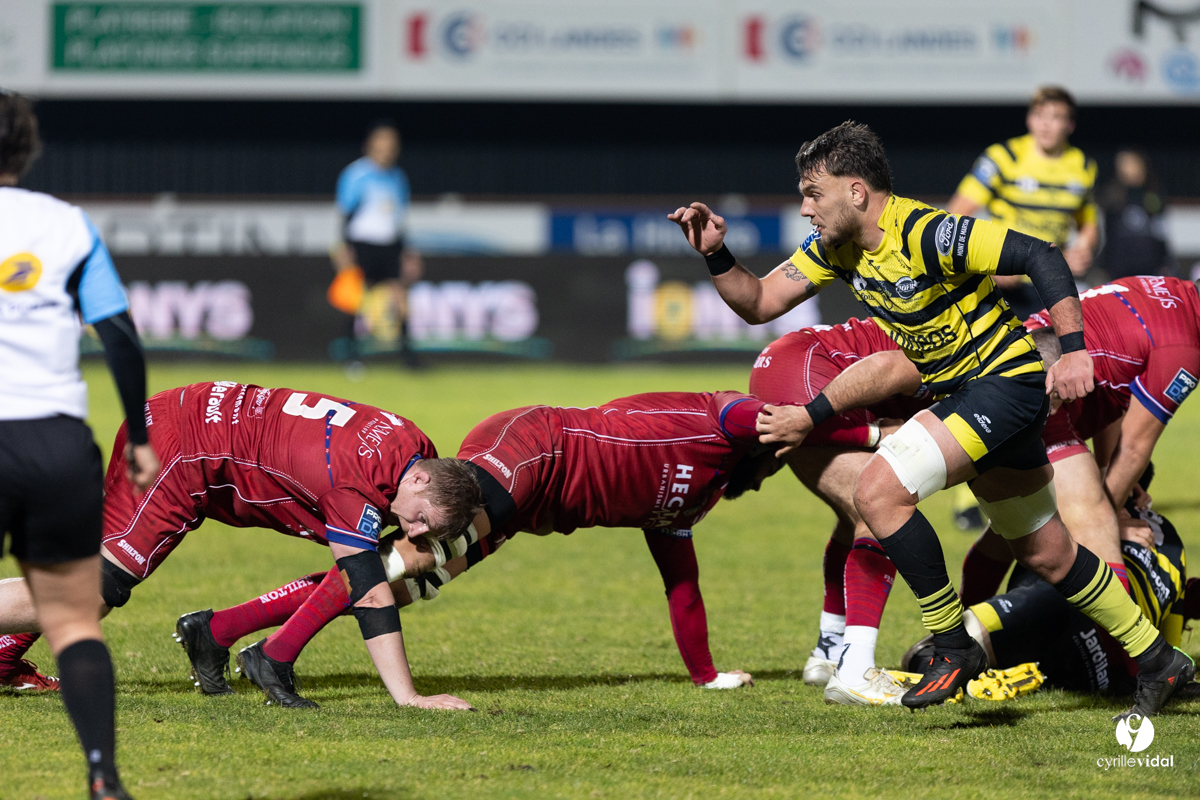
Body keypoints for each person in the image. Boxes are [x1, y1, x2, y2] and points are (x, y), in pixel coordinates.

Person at [670, 120, 1192, 717]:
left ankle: (951, 643)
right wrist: (716, 253)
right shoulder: (833, 249)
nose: (805, 206)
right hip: (983, 399)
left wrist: (1073, 348)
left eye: (815, 192)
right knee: (1048, 552)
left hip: (1004, 384)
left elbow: (1039, 254)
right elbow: (759, 302)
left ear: (857, 191)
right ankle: (1158, 659)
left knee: (879, 491)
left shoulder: (927, 231)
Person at [179, 391, 783, 706]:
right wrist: (855, 427)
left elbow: (683, 584)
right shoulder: (718, 423)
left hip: (525, 508)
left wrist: (705, 676)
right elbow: (726, 407)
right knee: (393, 566)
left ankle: (222, 629)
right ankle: (274, 655)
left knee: (404, 585)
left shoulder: (694, 501)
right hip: (532, 452)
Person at [0, 381, 484, 714]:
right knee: (92, 592)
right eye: (420, 520)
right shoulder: (352, 489)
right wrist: (409, 698)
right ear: (420, 478)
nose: (414, 532)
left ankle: (4, 659)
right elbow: (370, 595)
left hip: (186, 413)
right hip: (181, 452)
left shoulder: (413, 444)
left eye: (426, 530)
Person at [0, 93, 159, 800]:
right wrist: (142, 435)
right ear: (27, 149)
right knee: (70, 616)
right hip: (57, 441)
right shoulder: (66, 224)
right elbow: (119, 336)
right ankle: (103, 775)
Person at [960, 276, 1200, 603]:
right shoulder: (1182, 348)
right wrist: (1111, 510)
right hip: (1041, 393)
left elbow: (1112, 386)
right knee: (1095, 530)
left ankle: (954, 641)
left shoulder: (1161, 286)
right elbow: (1135, 445)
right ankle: (1132, 653)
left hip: (1005, 366)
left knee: (1011, 528)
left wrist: (1104, 473)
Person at [943, 86, 1101, 531]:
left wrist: (1084, 247)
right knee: (980, 380)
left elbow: (1086, 224)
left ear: (1069, 124)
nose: (1049, 125)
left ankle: (1038, 474)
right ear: (1031, 119)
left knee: (1043, 383)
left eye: (1059, 118)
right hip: (1002, 281)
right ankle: (964, 495)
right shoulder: (1004, 158)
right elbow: (957, 214)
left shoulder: (1082, 166)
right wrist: (989, 259)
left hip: (1045, 285)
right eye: (1042, 116)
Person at [749, 321, 928, 705]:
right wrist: (873, 435)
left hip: (786, 362)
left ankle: (828, 653)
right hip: (808, 373)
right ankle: (855, 671)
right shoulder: (966, 349)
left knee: (855, 514)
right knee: (882, 510)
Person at [909, 489, 1196, 701]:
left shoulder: (1077, 500)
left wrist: (964, 613)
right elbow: (1171, 641)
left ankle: (950, 660)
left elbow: (986, 559)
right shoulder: (1172, 541)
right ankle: (1023, 667)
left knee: (1059, 582)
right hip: (1102, 673)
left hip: (1061, 609)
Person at [333, 122, 423, 367]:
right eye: (382, 144)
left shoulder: (397, 177)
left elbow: (398, 218)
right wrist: (344, 247)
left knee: (400, 297)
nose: (387, 150)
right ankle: (350, 355)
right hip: (362, 243)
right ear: (370, 146)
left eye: (392, 145)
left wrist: (406, 251)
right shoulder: (356, 175)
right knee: (355, 299)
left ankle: (407, 355)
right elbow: (346, 214)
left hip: (389, 245)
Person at [1096, 150, 1173, 281]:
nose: (1129, 169)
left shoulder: (1153, 194)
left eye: (1133, 164)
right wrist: (1103, 265)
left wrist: (1164, 262)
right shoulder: (1112, 195)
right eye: (1124, 165)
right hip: (1119, 268)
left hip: (1149, 268)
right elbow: (1106, 233)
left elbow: (1160, 231)